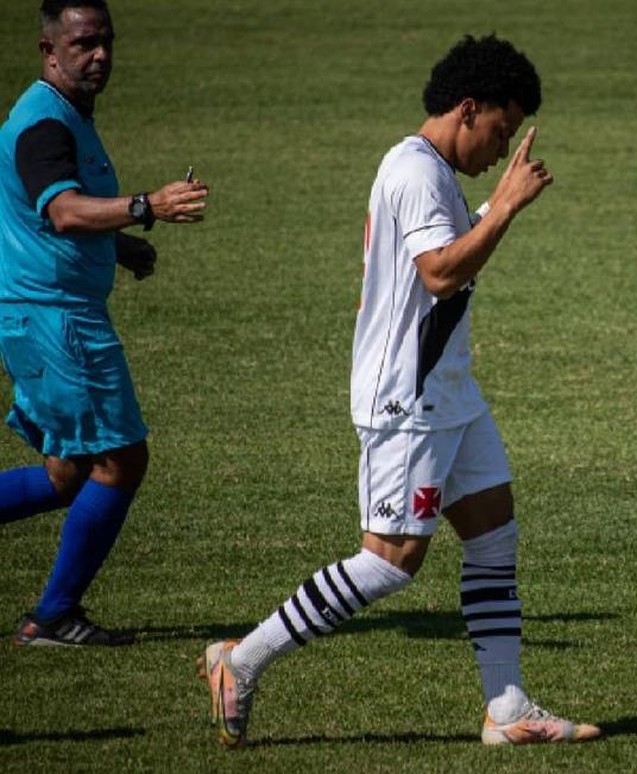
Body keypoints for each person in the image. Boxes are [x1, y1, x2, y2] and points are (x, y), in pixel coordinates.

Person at [200, 33, 600, 748]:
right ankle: (243, 659)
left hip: (448, 392)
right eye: (499, 131)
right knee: (390, 562)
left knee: (493, 532)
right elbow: (440, 273)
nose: (498, 150)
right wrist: (504, 208)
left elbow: (445, 260)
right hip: (406, 401)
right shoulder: (415, 170)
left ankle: (507, 709)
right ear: (467, 109)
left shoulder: (434, 172)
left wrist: (491, 207)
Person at [0, 0, 209, 646]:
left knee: (67, 473)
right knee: (121, 459)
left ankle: (54, 614)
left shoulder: (64, 116)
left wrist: (118, 245)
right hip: (57, 321)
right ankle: (54, 615)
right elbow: (62, 212)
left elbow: (38, 215)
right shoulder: (44, 126)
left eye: (107, 42)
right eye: (84, 44)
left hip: (43, 315)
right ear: (48, 51)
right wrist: (147, 206)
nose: (100, 56)